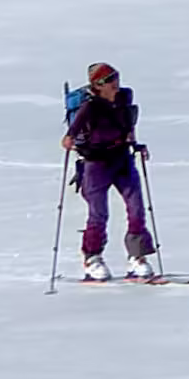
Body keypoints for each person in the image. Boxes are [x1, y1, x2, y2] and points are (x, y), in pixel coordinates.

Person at [64, 63, 158, 278]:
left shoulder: (124, 99)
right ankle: (92, 258)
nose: (115, 82)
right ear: (98, 85)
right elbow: (69, 136)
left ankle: (137, 257)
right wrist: (71, 142)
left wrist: (136, 145)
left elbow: (128, 130)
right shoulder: (90, 107)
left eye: (115, 77)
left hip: (122, 159)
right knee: (99, 214)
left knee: (136, 209)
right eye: (109, 80)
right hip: (95, 164)